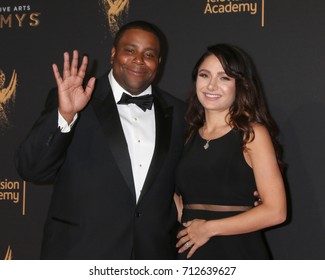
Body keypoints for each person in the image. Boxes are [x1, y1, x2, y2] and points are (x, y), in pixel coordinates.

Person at [14, 21, 186, 259]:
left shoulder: (179, 113)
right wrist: (65, 115)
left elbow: (194, 174)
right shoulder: (76, 99)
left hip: (153, 256)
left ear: (159, 62)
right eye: (130, 50)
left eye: (149, 54)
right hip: (80, 253)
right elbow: (31, 169)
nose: (139, 60)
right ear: (113, 53)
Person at [174, 43, 287, 259]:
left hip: (238, 252)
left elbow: (276, 211)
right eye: (204, 75)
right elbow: (180, 205)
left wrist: (207, 229)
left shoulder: (252, 134)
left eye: (224, 78)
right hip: (191, 254)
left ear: (240, 85)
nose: (211, 85)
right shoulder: (187, 135)